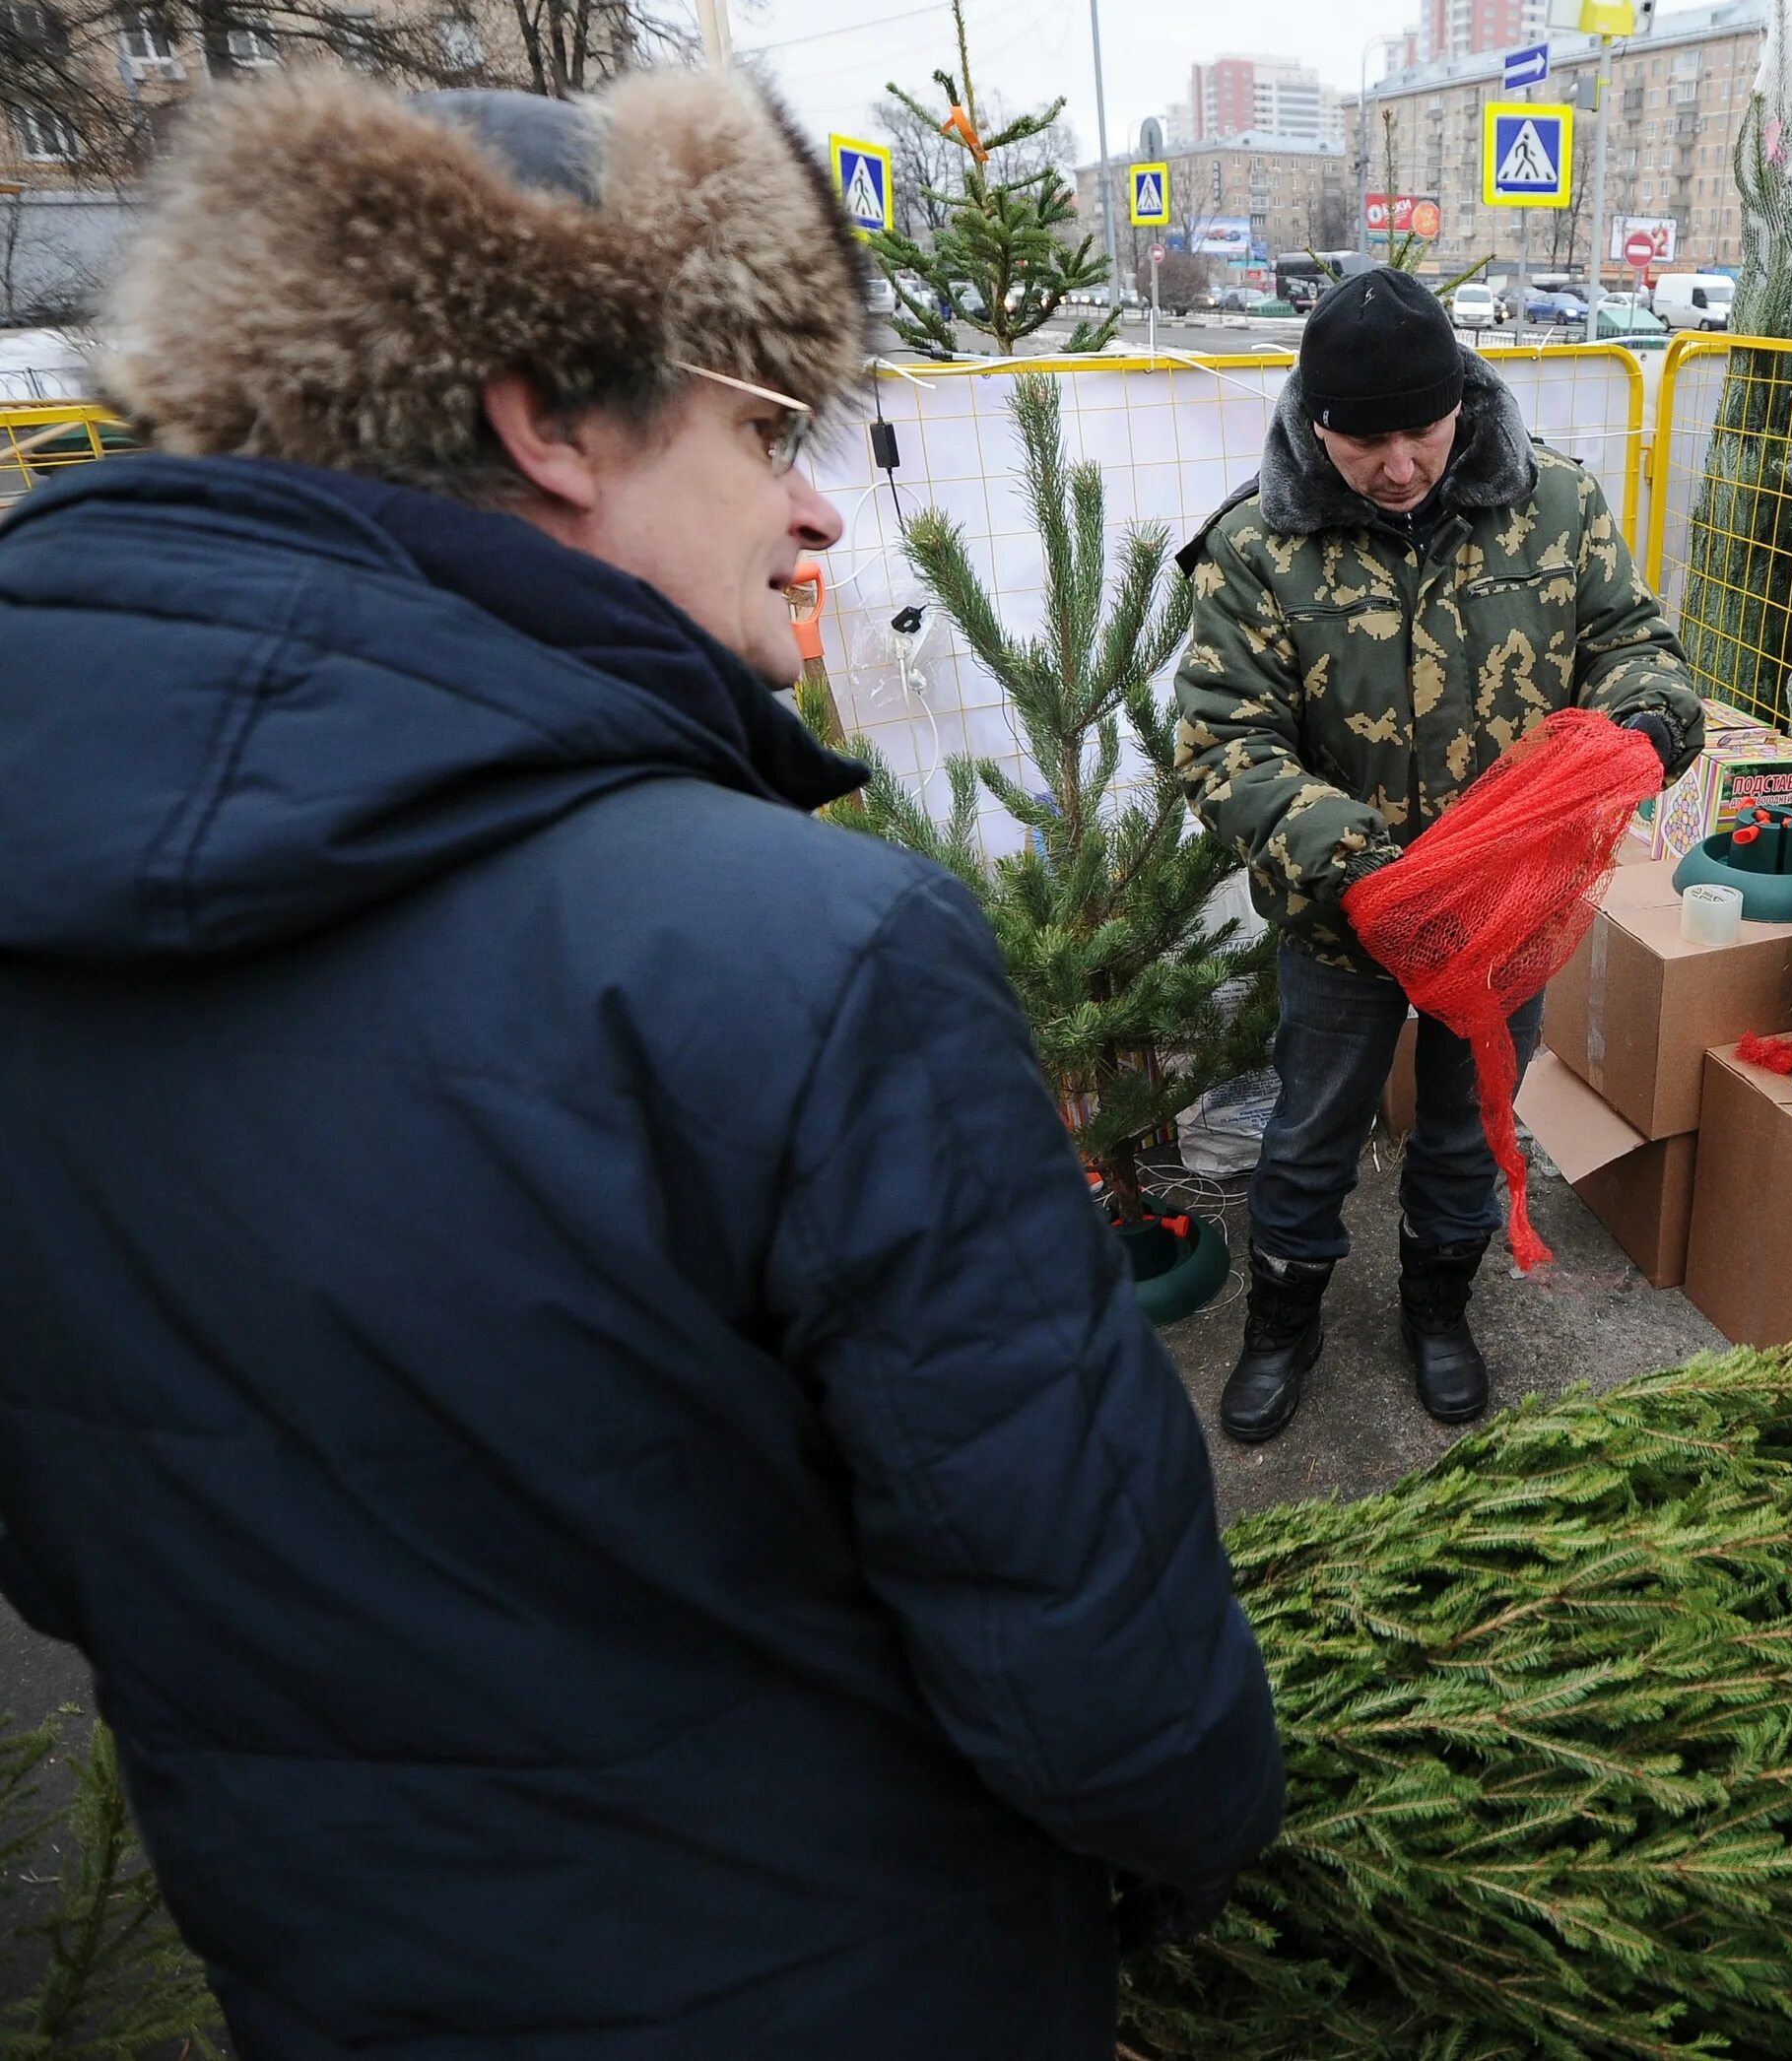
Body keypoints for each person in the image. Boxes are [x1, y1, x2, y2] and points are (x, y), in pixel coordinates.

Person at [0, 75, 1281, 2056]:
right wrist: (1198, 1861)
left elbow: (73, 1544)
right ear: (552, 415)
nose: (816, 501)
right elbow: (1100, 1669)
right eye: (768, 422)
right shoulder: (803, 956)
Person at [1174, 268, 1701, 1442]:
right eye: (1363, 442)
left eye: (1420, 431)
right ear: (1317, 423)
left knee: (1470, 1126)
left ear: (1463, 399)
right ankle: (1284, 1321)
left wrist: (1649, 715)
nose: (1399, 466)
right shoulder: (1259, 546)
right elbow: (1223, 742)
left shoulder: (1555, 505)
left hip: (1505, 913)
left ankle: (1439, 1309)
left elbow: (1631, 642)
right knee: (1310, 1131)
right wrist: (1362, 871)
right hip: (1340, 918)